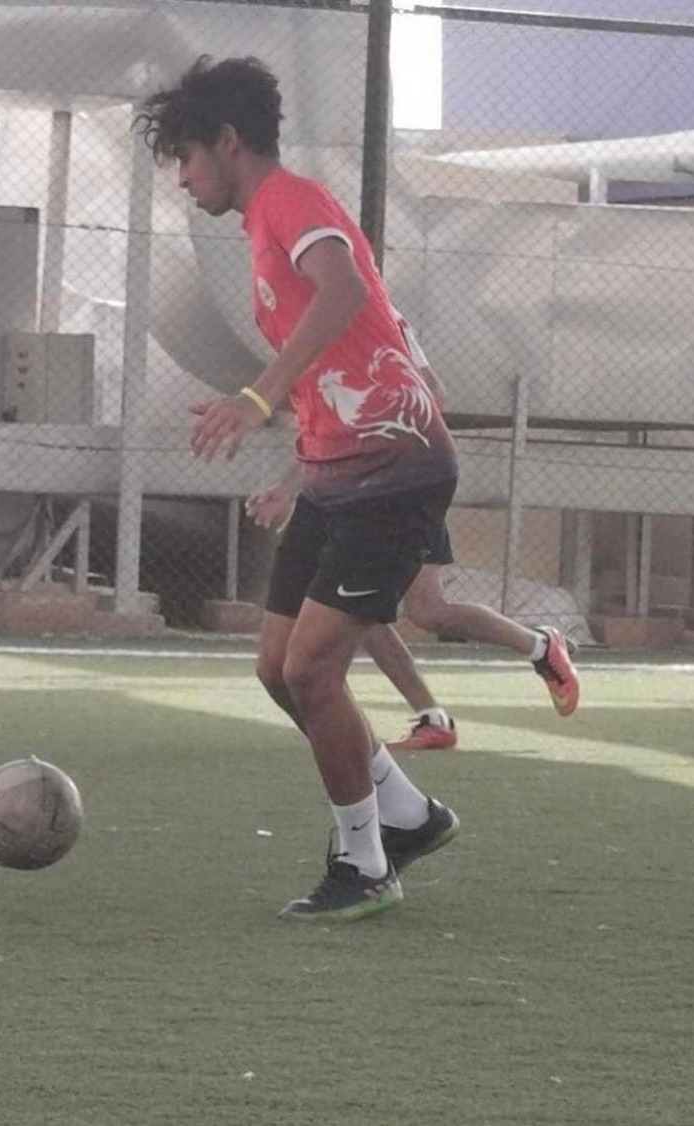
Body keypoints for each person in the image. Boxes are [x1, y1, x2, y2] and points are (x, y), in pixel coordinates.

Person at [136, 55, 579, 923]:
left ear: (227, 142)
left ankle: (365, 862)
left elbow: (341, 291)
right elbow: (335, 360)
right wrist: (294, 466)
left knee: (313, 667)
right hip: (337, 475)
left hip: (394, 472)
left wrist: (255, 398)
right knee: (277, 669)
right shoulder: (264, 224)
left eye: (185, 156)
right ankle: (406, 814)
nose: (182, 178)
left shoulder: (291, 202)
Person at [245, 315, 581, 753]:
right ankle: (434, 716)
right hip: (347, 496)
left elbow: (432, 392)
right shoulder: (306, 327)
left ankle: (539, 647)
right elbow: (326, 434)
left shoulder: (377, 319)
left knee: (426, 611)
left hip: (398, 491)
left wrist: (385, 432)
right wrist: (287, 488)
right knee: (351, 606)